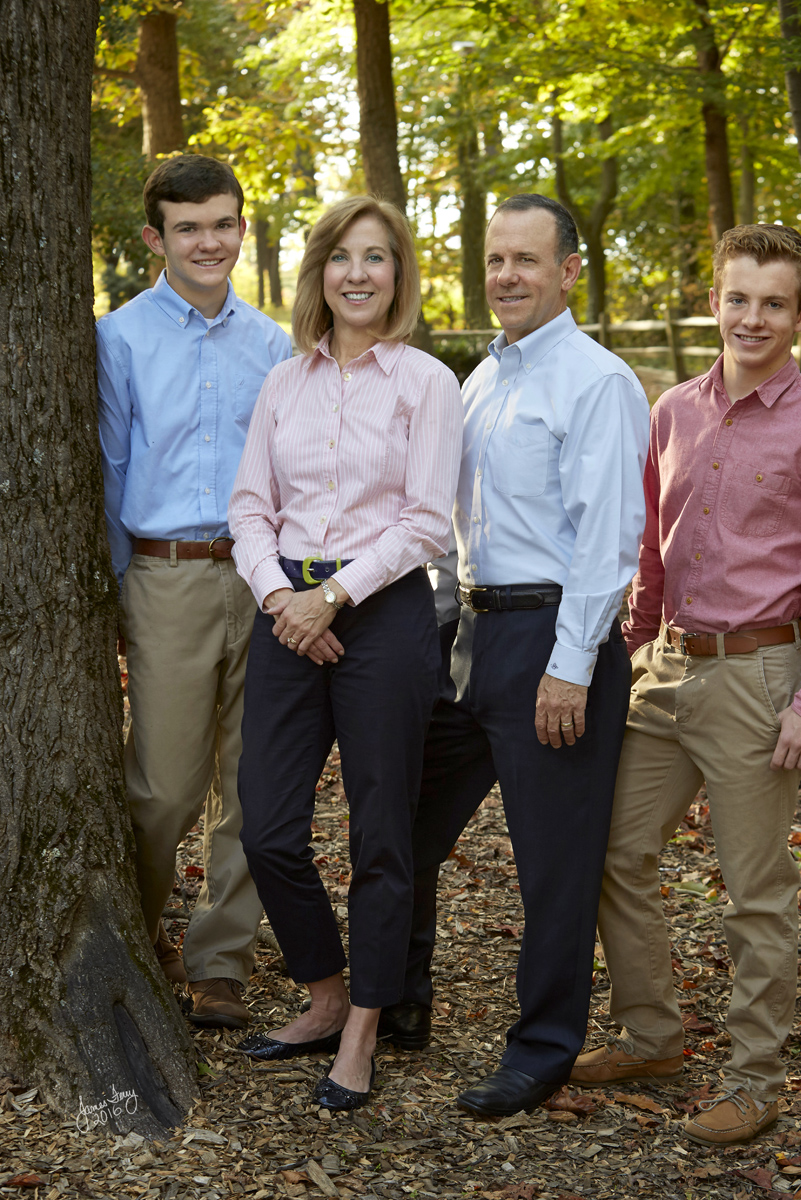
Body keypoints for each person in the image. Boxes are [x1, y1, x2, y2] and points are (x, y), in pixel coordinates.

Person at [569, 225, 801, 1145]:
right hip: (665, 668)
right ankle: (652, 1034)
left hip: (760, 677)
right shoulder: (672, 409)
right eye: (737, 298)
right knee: (616, 855)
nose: (752, 318)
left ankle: (754, 1081)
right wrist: (631, 652)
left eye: (773, 303)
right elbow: (651, 551)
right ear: (715, 299)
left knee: (755, 893)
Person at [378, 194, 651, 1116]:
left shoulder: (597, 381)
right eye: (496, 260)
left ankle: (542, 1049)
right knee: (409, 825)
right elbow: (457, 529)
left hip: (554, 638)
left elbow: (607, 541)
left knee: (553, 861)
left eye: (527, 261)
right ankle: (400, 1003)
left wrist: (571, 665)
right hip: (473, 636)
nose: (507, 277)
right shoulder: (481, 381)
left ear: (571, 269)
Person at [228, 196, 462, 1112]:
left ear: (398, 276)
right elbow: (249, 504)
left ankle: (366, 1022)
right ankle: (323, 992)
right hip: (286, 606)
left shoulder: (426, 383)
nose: (357, 273)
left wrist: (334, 594)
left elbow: (426, 521)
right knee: (268, 828)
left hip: (385, 616)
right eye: (341, 257)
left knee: (381, 832)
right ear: (317, 273)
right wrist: (283, 596)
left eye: (377, 258)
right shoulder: (284, 381)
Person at [97, 155, 291, 1029]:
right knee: (164, 787)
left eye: (222, 224)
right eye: (188, 227)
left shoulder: (276, 344)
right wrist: (111, 588)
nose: (208, 241)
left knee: (252, 783)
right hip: (165, 573)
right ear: (156, 238)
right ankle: (139, 936)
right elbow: (108, 465)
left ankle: (221, 960)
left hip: (262, 578)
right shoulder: (121, 337)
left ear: (242, 229)